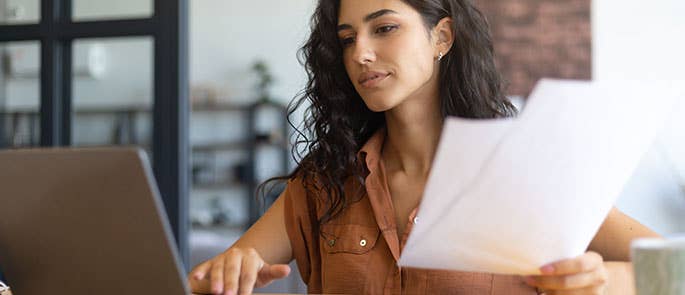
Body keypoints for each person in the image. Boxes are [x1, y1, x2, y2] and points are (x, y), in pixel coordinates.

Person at [189, 0, 659, 294]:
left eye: (385, 28)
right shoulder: (325, 181)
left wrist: (611, 281)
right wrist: (226, 272)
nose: (360, 54)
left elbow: (671, 270)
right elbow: (211, 277)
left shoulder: (524, 172)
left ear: (442, 37)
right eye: (348, 39)